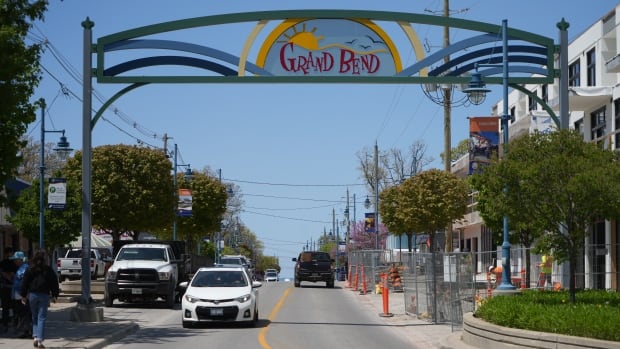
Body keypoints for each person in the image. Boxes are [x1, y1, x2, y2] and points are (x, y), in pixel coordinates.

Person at [20, 251, 59, 349]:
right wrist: (55, 295)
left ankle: (35, 337)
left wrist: (23, 295)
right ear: (44, 259)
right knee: (42, 317)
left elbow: (24, 282)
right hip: (44, 295)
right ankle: (40, 340)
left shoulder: (30, 269)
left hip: (32, 295)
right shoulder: (48, 270)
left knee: (34, 316)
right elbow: (54, 282)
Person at [10, 251, 31, 338]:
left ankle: (25, 331)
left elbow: (25, 283)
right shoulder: (20, 268)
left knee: (24, 313)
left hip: (22, 295)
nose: (14, 261)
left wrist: (25, 295)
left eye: (16, 259)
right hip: (19, 295)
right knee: (21, 313)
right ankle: (25, 331)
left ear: (20, 260)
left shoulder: (25, 268)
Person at [0, 247, 16, 332]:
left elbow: (14, 273)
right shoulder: (3, 263)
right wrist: (8, 276)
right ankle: (5, 323)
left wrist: (9, 276)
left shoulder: (13, 263)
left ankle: (13, 322)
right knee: (5, 306)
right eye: (11, 253)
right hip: (5, 287)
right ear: (7, 253)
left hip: (11, 287)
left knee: (13, 306)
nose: (12, 255)